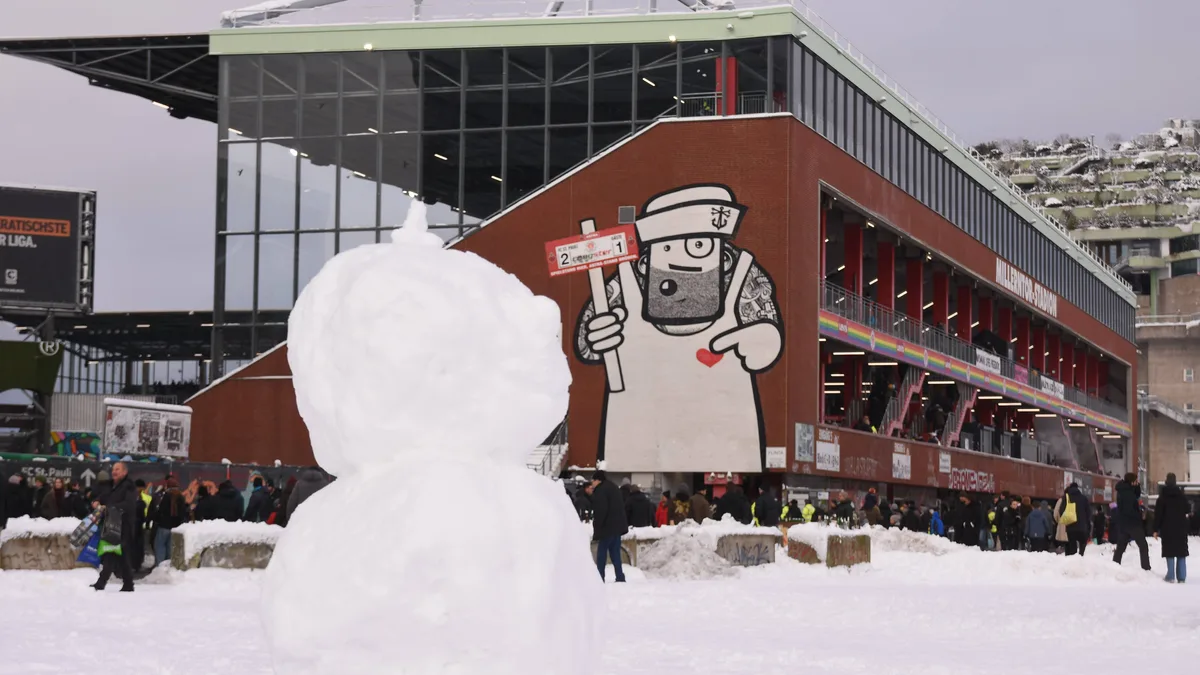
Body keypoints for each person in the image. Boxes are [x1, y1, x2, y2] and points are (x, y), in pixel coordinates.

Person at [91, 462, 139, 592]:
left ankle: (101, 583)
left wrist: (110, 507)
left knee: (111, 553)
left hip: (123, 525)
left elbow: (129, 505)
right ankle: (128, 583)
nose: (114, 472)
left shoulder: (129, 486)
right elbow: (103, 497)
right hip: (111, 524)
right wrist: (96, 501)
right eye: (113, 469)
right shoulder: (111, 486)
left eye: (117, 469)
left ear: (124, 472)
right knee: (121, 554)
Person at [588, 471, 628, 583]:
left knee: (602, 553)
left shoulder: (601, 490)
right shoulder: (613, 487)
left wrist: (597, 527)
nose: (592, 483)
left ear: (598, 480)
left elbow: (601, 510)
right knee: (615, 553)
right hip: (617, 526)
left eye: (593, 480)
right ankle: (620, 576)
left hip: (607, 527)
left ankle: (600, 577)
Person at [1153, 473, 1189, 583]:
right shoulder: (1181, 496)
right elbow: (1187, 509)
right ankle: (1182, 577)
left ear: (1166, 481)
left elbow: (1158, 515)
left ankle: (1170, 575)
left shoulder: (1162, 497)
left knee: (1169, 552)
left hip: (1167, 528)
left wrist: (1155, 529)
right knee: (1181, 552)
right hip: (1181, 528)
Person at [1112, 473, 1151, 571]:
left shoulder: (1123, 490)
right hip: (1133, 523)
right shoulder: (1128, 493)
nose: (1137, 482)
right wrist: (1139, 514)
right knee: (1143, 545)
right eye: (1136, 481)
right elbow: (1131, 508)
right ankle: (1145, 568)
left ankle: (1114, 565)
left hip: (1123, 523)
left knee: (1121, 547)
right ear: (1132, 482)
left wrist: (1137, 487)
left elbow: (1136, 495)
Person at [151, 478, 188, 566]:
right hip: (175, 527)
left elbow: (161, 511)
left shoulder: (166, 496)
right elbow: (183, 512)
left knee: (159, 546)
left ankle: (160, 565)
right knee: (169, 547)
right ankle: (168, 565)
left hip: (164, 526)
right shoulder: (181, 497)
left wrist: (156, 519)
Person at [1053, 483, 1089, 556]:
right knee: (1082, 542)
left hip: (1070, 526)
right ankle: (1081, 555)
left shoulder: (1066, 497)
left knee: (1071, 545)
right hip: (1082, 526)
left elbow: (1061, 510)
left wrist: (1065, 520)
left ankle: (1072, 558)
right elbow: (1088, 512)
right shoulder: (1084, 498)